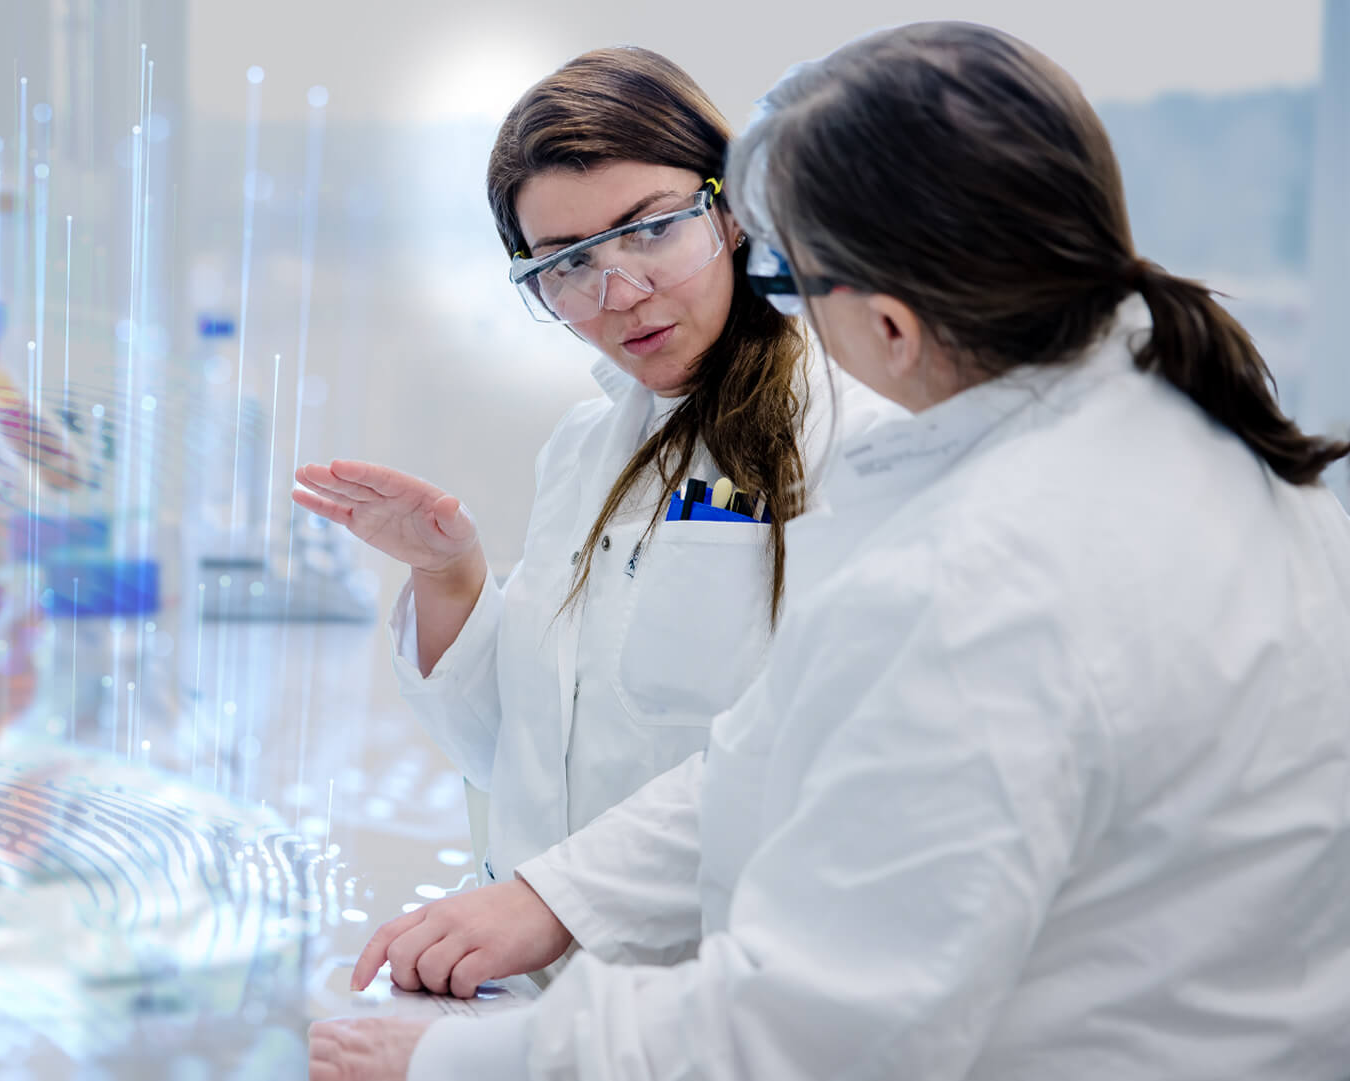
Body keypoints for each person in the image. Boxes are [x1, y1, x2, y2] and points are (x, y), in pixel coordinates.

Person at [311, 20, 1350, 1081]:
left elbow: (811, 1026)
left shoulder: (987, 565)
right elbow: (764, 750)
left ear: (889, 326)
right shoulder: (1207, 461)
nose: (620, 290)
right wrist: (557, 896)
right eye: (569, 266)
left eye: (786, 272)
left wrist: (458, 1063)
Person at [292, 47, 894, 945]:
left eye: (651, 229)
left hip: (723, 992)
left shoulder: (853, 431)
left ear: (730, 213)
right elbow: (520, 758)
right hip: (557, 985)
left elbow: (832, 758)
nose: (619, 292)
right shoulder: (586, 447)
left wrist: (557, 902)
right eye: (566, 262)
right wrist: (450, 575)